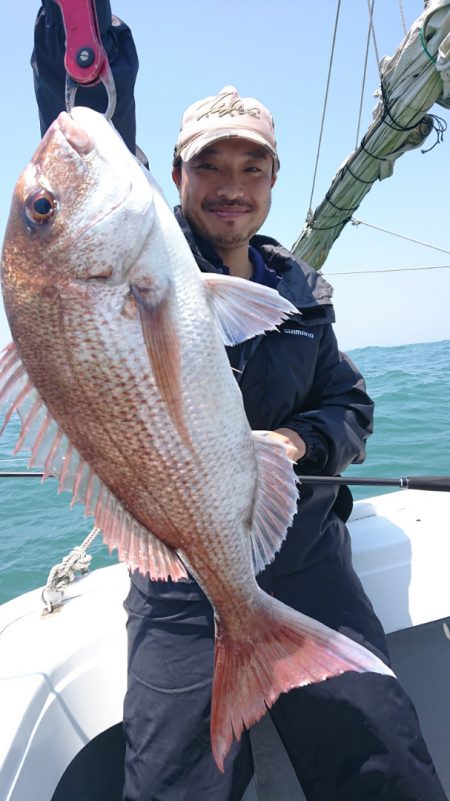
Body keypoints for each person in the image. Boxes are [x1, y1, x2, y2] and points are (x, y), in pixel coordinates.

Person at [31, 3, 448, 801]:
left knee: (386, 764)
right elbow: (86, 131)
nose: (230, 187)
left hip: (307, 561)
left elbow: (349, 405)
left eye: (251, 168)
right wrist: (75, 57)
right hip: (181, 583)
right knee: (172, 787)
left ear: (272, 182)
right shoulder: (147, 261)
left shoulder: (301, 292)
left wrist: (295, 445)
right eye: (208, 167)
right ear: (172, 177)